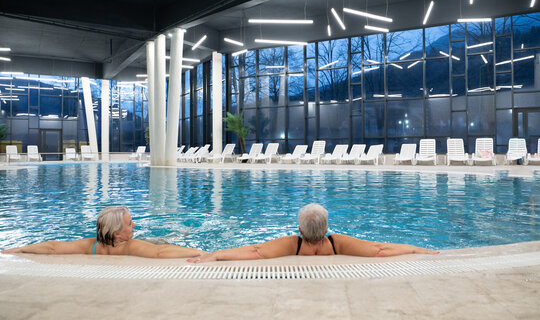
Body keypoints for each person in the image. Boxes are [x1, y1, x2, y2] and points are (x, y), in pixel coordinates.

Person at [188, 203, 439, 263]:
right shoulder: (337, 242)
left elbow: (256, 251)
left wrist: (217, 255)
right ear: (327, 228)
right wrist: (416, 248)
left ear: (298, 229)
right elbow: (380, 249)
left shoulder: (292, 244)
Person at [2, 206, 204, 259]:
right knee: (161, 241)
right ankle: (183, 233)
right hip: (145, 244)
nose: (134, 225)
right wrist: (201, 253)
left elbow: (53, 247)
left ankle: (180, 233)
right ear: (117, 233)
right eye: (130, 223)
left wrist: (19, 249)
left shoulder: (92, 245)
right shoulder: (130, 246)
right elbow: (161, 252)